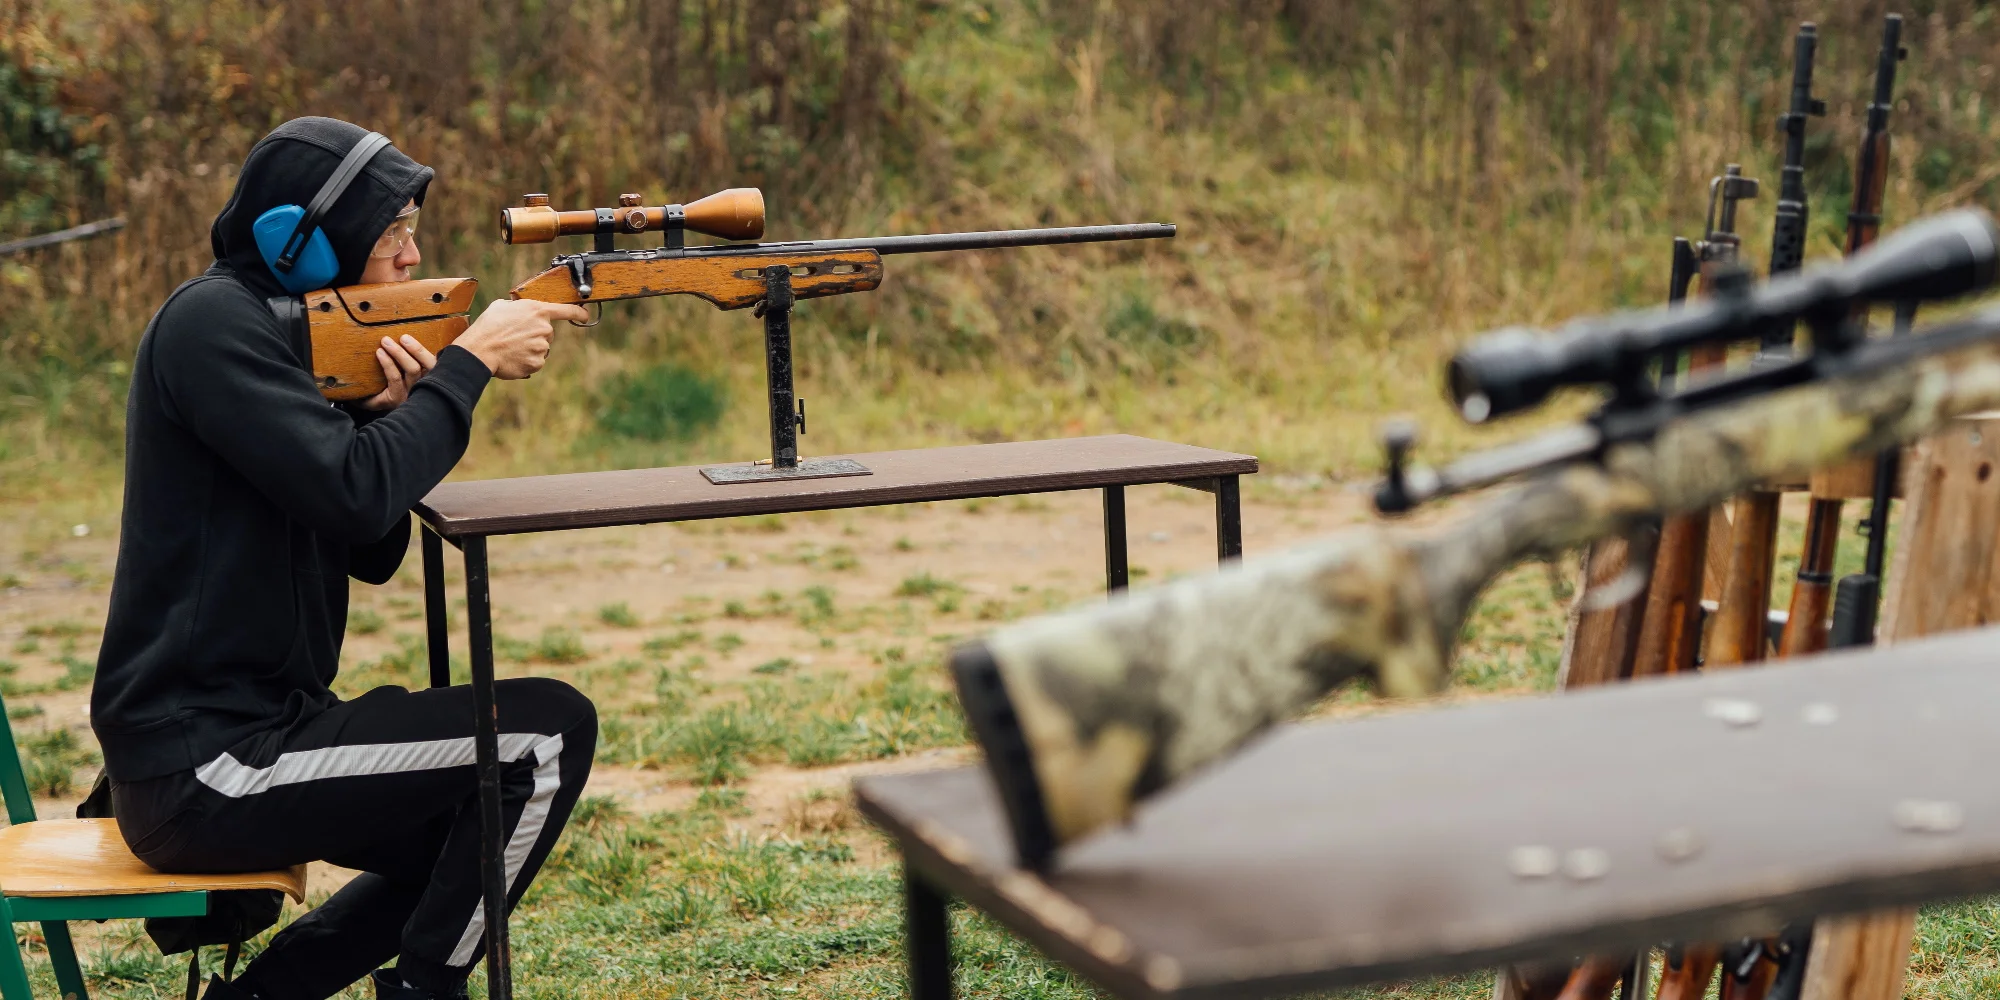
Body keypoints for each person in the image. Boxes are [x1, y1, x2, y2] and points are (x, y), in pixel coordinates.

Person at [90, 117, 599, 1000]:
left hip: (260, 733)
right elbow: (359, 494)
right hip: (205, 765)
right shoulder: (211, 324)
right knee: (545, 735)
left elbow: (369, 546)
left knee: (465, 833)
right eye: (391, 230)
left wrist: (376, 415)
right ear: (298, 244)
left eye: (410, 230)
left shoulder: (282, 340)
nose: (408, 256)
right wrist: (465, 369)